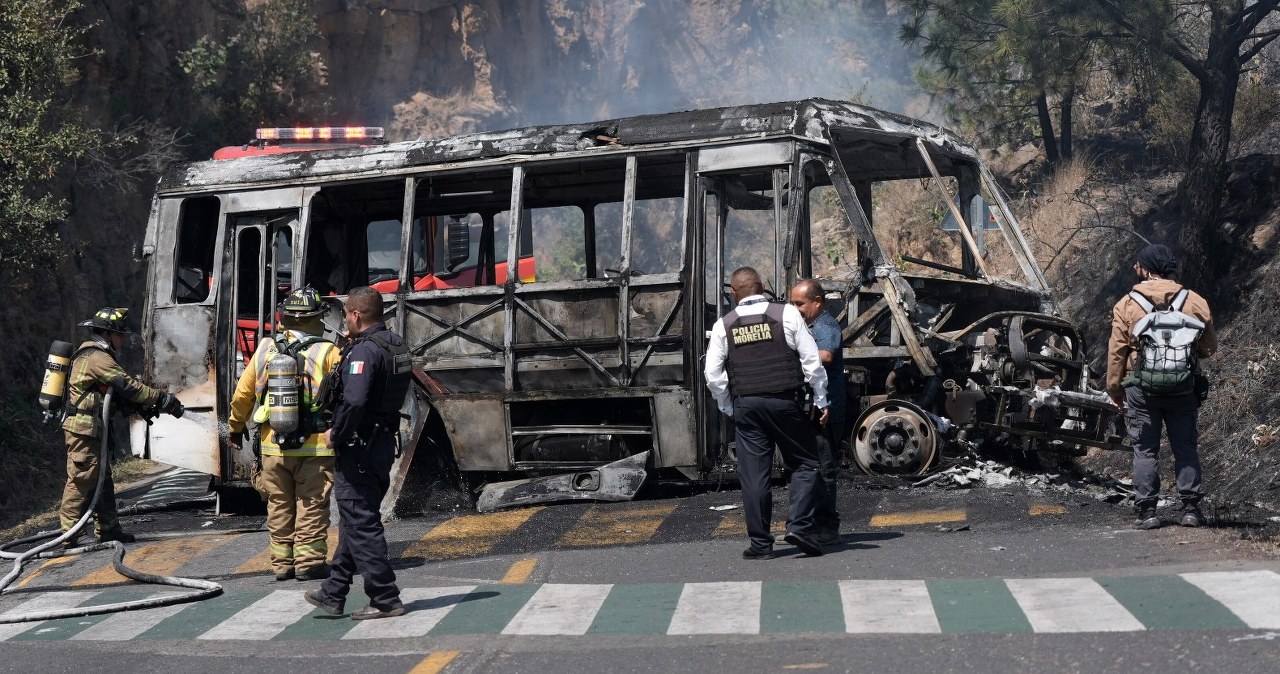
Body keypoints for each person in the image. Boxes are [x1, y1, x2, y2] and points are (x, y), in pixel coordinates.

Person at [705, 267, 830, 559]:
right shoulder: (786, 314)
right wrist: (821, 400)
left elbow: (712, 374)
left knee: (754, 476)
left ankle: (761, 546)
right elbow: (812, 361)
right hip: (786, 402)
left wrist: (727, 406)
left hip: (747, 407)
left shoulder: (725, 324)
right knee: (806, 462)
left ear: (734, 294)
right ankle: (798, 525)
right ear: (762, 287)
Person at [305, 286, 410, 619]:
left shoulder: (364, 352)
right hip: (380, 446)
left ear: (356, 315)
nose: (345, 320)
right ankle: (333, 593)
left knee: (362, 524)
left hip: (359, 450)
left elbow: (355, 400)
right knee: (355, 521)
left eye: (347, 313)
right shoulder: (395, 345)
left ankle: (385, 597)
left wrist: (337, 433)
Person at [228, 287, 341, 581]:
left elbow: (243, 394)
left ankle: (282, 565)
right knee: (311, 503)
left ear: (284, 318)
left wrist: (235, 427)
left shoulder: (265, 349)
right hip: (315, 447)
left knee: (278, 504)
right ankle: (310, 563)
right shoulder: (329, 351)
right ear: (318, 317)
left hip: (272, 445)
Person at [1107, 243, 1217, 530]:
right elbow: (1209, 348)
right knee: (1185, 447)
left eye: (1137, 265)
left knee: (1145, 450)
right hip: (1184, 389)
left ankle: (1147, 512)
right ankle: (1191, 509)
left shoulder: (1127, 304)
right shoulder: (1195, 301)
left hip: (1141, 390)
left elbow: (1117, 350)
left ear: (1146, 269)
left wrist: (1114, 388)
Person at [60, 307, 184, 546]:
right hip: (83, 429)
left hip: (94, 428)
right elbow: (128, 386)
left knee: (102, 478)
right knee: (82, 477)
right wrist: (162, 399)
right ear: (108, 334)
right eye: (120, 335)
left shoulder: (99, 355)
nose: (123, 340)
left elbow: (116, 392)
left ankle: (108, 529)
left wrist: (134, 407)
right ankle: (68, 534)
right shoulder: (96, 357)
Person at [789, 279, 844, 546]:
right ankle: (807, 526)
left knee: (824, 469)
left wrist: (789, 357)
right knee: (810, 468)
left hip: (826, 408)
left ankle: (828, 527)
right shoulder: (807, 326)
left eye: (799, 303)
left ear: (817, 302)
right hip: (812, 407)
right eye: (792, 303)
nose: (794, 308)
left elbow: (825, 356)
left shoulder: (825, 325)